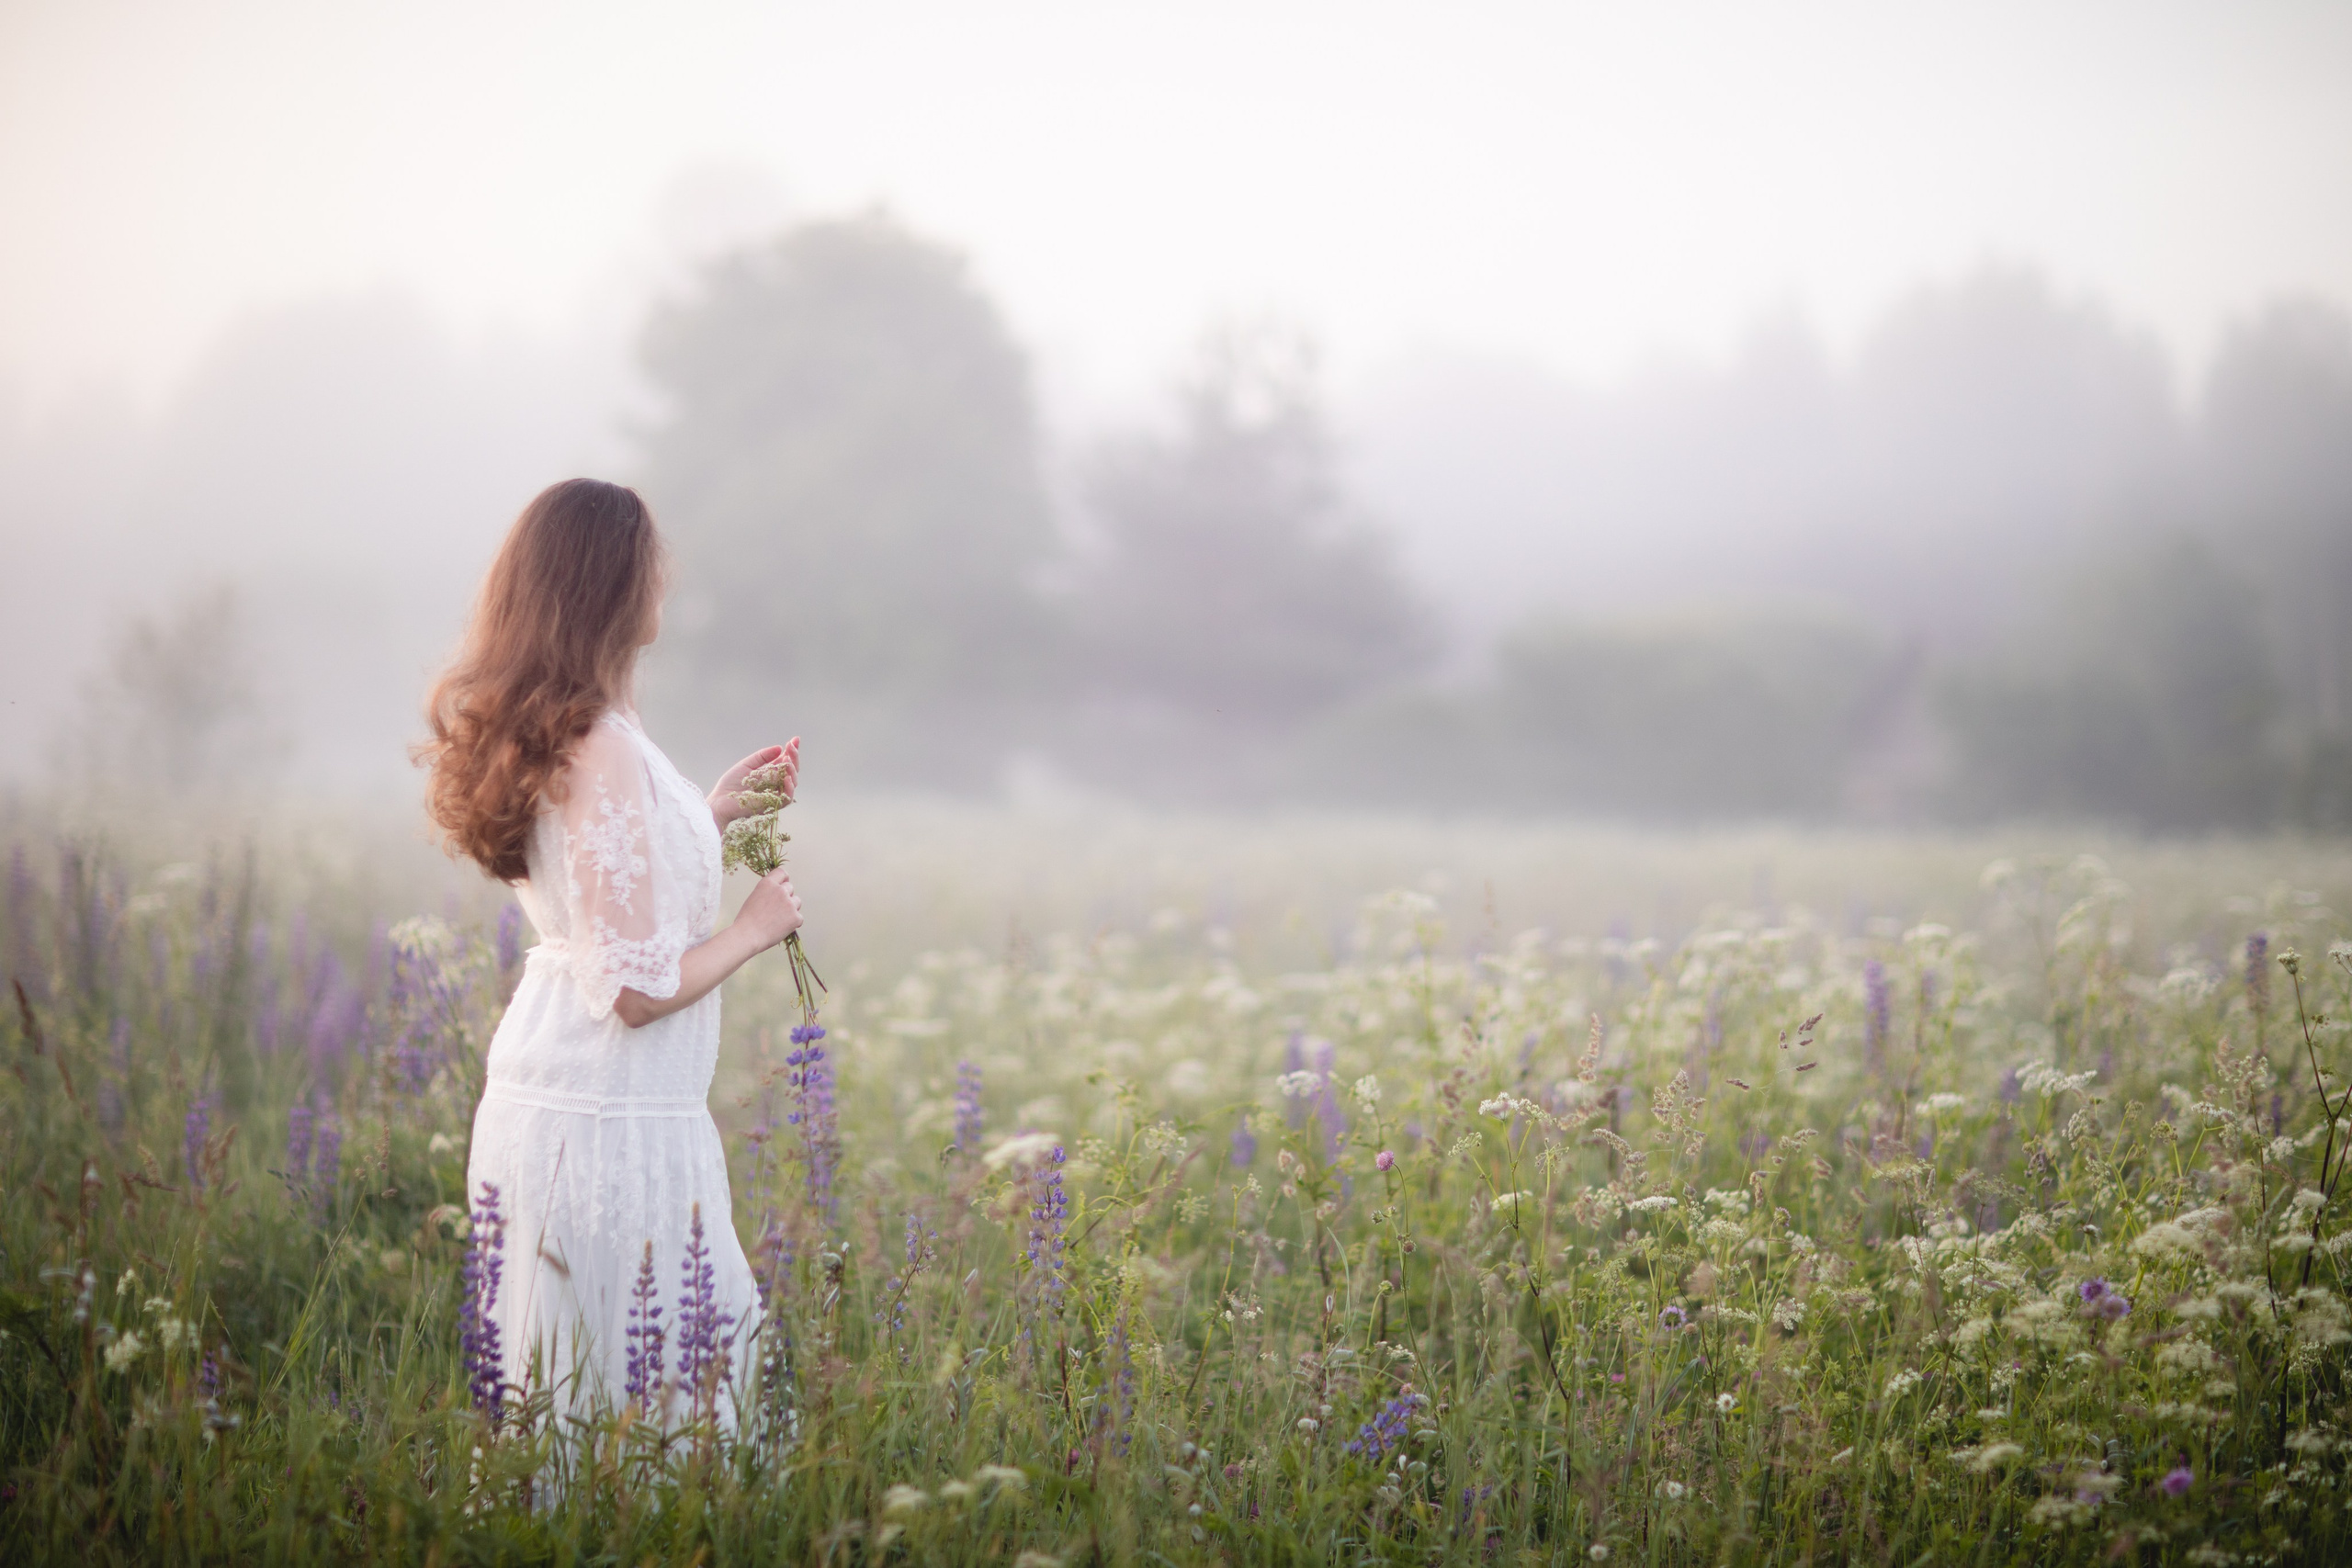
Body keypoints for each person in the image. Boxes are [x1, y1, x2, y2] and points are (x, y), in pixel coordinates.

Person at [415, 477, 802, 1429]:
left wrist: (707, 817)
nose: (664, 581)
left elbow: (610, 895)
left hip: (578, 1098)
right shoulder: (602, 744)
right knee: (642, 1399)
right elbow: (632, 989)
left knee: (583, 1396)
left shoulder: (576, 732)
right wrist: (752, 931)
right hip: (607, 1115)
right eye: (650, 565)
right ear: (612, 585)